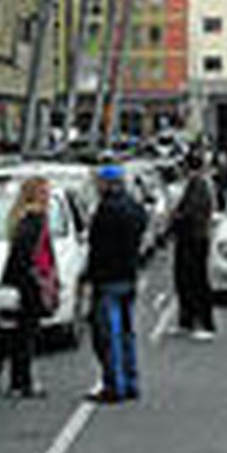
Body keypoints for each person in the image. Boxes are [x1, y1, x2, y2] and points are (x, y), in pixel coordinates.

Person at [85, 165, 148, 404]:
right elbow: (142, 227)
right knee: (127, 332)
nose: (97, 187)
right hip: (129, 275)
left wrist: (90, 277)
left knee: (108, 335)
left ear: (107, 184)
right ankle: (131, 382)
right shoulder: (133, 207)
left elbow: (96, 246)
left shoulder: (106, 210)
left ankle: (114, 386)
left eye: (99, 182)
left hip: (108, 279)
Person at [1, 177, 53, 398]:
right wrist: (41, 277)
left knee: (21, 334)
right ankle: (24, 383)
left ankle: (17, 382)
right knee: (27, 335)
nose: (48, 196)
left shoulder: (20, 218)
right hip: (30, 283)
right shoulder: (35, 219)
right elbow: (28, 254)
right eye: (45, 192)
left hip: (21, 282)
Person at [165, 151, 217, 339]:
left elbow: (192, 213)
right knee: (184, 280)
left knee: (196, 281)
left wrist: (175, 218)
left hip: (195, 239)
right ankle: (186, 322)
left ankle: (204, 324)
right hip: (189, 238)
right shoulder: (196, 184)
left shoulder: (200, 185)